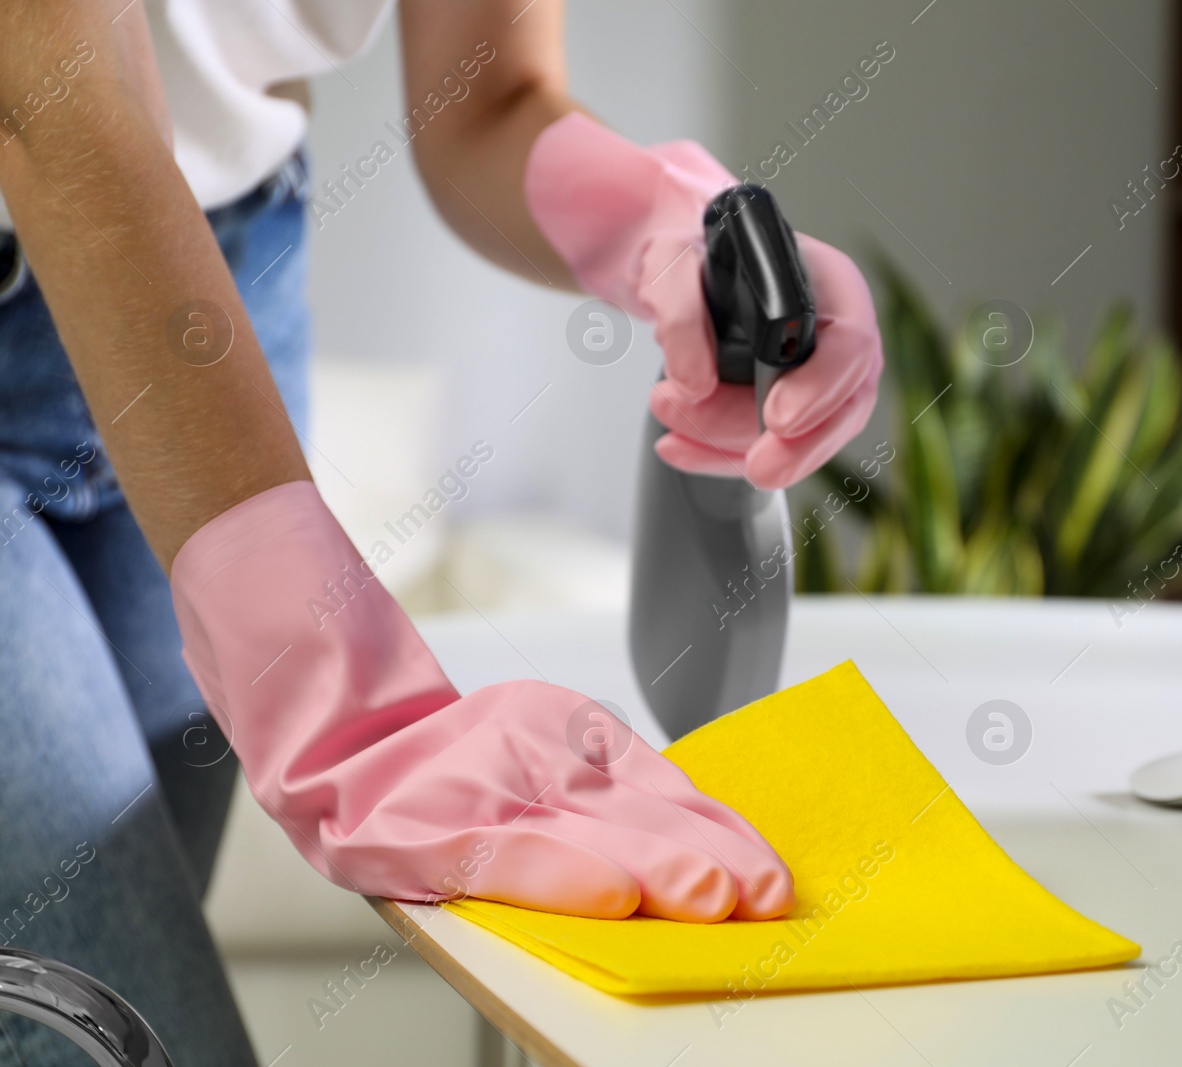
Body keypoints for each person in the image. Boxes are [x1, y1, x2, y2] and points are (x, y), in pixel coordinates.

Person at [0, 1, 882, 1062]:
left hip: (221, 268)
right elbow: (51, 107)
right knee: (123, 1032)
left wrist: (663, 224)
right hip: (107, 221)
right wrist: (336, 694)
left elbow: (485, 98)